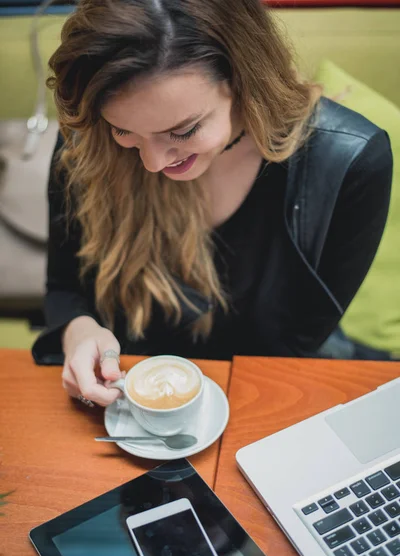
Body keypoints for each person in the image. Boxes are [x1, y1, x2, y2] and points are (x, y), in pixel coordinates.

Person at [32, 0, 393, 408]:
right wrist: (78, 330)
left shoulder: (351, 161)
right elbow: (64, 287)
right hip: (126, 393)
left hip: (273, 388)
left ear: (244, 79)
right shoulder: (88, 141)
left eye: (183, 131)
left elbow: (297, 340)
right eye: (124, 131)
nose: (151, 163)